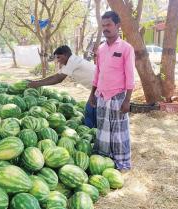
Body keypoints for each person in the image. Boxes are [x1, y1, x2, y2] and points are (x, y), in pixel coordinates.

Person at [88, 11, 135, 171]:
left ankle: (122, 163)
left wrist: (127, 100)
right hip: (101, 95)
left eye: (108, 25)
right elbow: (97, 73)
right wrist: (92, 95)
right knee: (103, 129)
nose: (105, 28)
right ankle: (105, 160)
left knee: (119, 132)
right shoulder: (100, 49)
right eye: (103, 25)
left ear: (117, 26)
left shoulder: (126, 48)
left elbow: (130, 76)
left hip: (118, 96)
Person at [28, 45, 97, 128]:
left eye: (59, 57)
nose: (58, 60)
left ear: (66, 55)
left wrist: (37, 84)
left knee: (91, 109)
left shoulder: (72, 61)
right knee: (91, 109)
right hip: (96, 87)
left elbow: (58, 79)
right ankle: (93, 128)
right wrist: (37, 82)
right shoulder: (71, 62)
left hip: (101, 86)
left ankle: (92, 129)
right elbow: (55, 76)